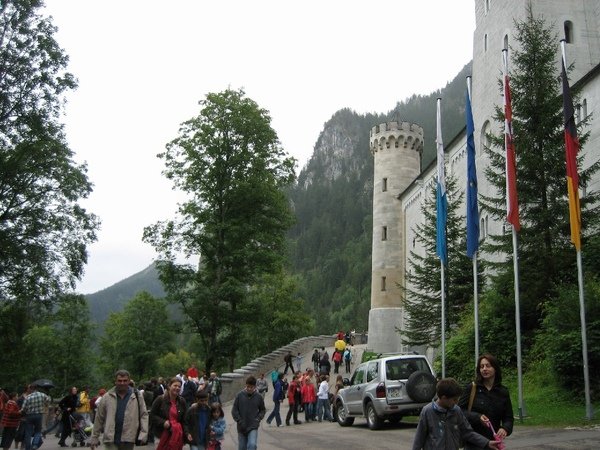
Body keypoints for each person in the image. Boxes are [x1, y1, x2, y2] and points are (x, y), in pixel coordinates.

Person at [412, 378, 499, 450]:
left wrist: (487, 442)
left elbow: (467, 432)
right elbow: (419, 438)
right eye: (454, 399)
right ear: (443, 398)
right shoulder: (427, 411)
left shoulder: (456, 411)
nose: (457, 402)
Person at [458, 354, 513, 449]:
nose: (484, 369)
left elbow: (508, 418)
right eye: (481, 366)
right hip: (473, 442)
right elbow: (459, 411)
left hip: (494, 442)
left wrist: (505, 428)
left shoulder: (503, 392)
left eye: (488, 366)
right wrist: (477, 417)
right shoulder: (472, 388)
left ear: (495, 368)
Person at [91, 369, 149, 450]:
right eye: (119, 381)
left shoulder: (136, 396)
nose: (122, 383)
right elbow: (99, 417)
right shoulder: (107, 397)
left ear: (129, 381)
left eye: (125, 381)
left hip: (128, 438)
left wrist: (143, 434)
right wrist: (94, 437)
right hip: (110, 439)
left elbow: (144, 415)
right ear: (115, 381)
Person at [150, 377, 186, 450]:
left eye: (179, 386)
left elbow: (184, 420)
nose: (177, 388)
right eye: (175, 386)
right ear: (169, 386)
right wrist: (163, 422)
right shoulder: (160, 399)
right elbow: (152, 415)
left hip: (176, 436)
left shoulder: (182, 401)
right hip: (161, 434)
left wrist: (185, 434)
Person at [231, 376, 266, 450]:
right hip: (241, 427)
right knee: (242, 448)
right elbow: (234, 410)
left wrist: (258, 419)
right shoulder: (239, 395)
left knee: (252, 445)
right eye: (248, 386)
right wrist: (239, 420)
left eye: (251, 387)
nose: (249, 389)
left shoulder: (259, 397)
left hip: (253, 426)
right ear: (246, 385)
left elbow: (262, 410)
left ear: (255, 387)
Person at [19, 384, 50, 450]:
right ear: (37, 388)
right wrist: (44, 404)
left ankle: (27, 448)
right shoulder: (42, 395)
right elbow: (48, 400)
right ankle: (35, 445)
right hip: (39, 415)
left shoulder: (28, 397)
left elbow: (23, 408)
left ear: (30, 389)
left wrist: (21, 411)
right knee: (38, 431)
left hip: (29, 416)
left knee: (28, 432)